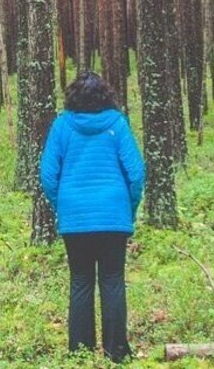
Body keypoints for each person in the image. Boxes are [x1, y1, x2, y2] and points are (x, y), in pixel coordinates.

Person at [40, 71, 146, 363]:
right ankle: (117, 353)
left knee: (80, 281)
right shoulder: (117, 124)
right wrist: (129, 207)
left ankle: (80, 353)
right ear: (106, 95)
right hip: (113, 216)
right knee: (113, 281)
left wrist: (63, 205)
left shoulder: (62, 125)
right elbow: (136, 173)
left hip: (75, 218)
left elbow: (48, 175)